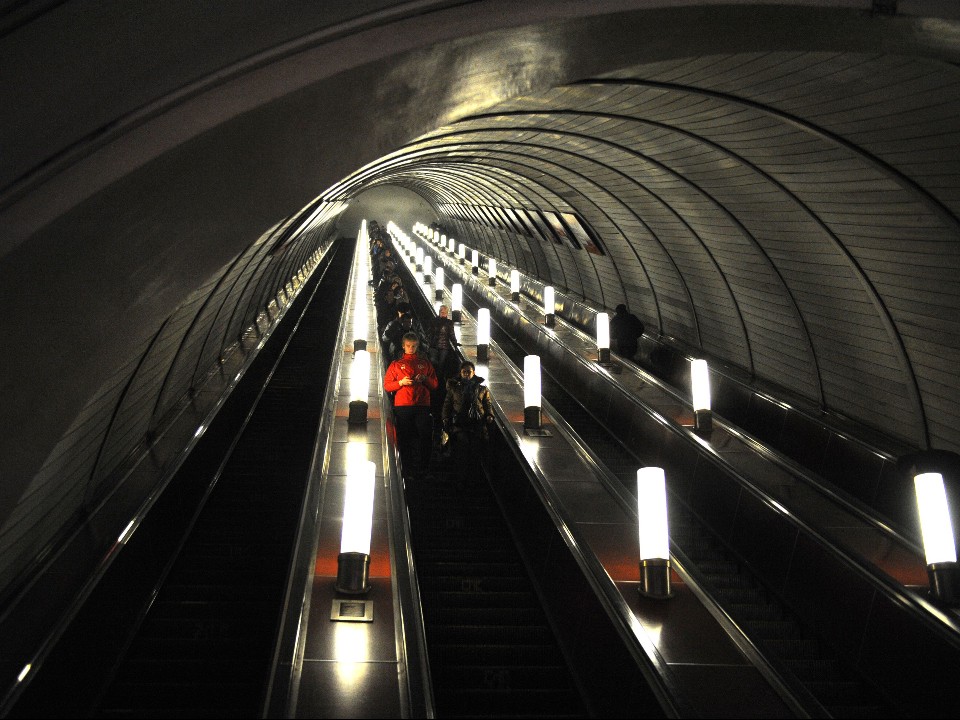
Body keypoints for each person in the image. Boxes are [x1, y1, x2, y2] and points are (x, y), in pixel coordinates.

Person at [384, 333, 439, 480]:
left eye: (414, 346)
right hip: (403, 405)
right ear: (403, 346)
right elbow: (387, 386)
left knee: (425, 437)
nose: (411, 348)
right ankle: (406, 469)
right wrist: (401, 383)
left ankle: (423, 469)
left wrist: (425, 379)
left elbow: (434, 384)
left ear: (418, 346)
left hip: (422, 405)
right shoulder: (396, 364)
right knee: (405, 438)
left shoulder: (425, 363)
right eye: (408, 346)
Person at [442, 361, 495, 484]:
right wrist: (445, 418)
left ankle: (472, 477)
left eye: (469, 372)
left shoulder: (482, 389)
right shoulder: (454, 388)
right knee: (463, 446)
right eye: (464, 372)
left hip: (476, 423)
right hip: (460, 423)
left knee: (475, 449)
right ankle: (462, 477)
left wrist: (490, 415)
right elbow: (447, 403)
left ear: (473, 373)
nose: (466, 374)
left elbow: (487, 403)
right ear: (460, 373)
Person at [426, 305, 459, 381]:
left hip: (440, 346)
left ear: (446, 313)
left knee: (438, 364)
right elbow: (451, 335)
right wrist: (455, 343)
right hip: (440, 346)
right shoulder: (447, 322)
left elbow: (451, 335)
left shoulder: (436, 321)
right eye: (441, 311)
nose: (442, 313)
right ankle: (437, 380)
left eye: (443, 312)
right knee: (438, 364)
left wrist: (455, 343)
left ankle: (436, 380)